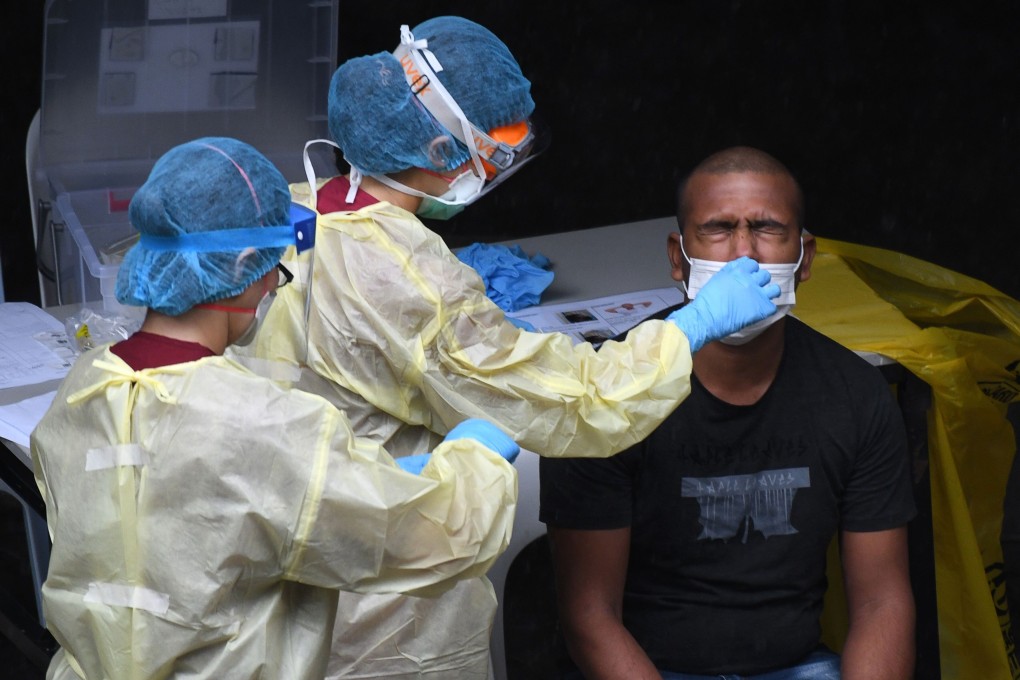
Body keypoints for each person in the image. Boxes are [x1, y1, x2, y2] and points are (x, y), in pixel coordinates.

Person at [234, 16, 786, 678]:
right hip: (376, 608)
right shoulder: (408, 280)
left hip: (287, 565)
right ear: (439, 148)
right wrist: (692, 325)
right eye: (496, 148)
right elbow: (576, 404)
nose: (497, 165)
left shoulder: (296, 215)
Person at [30, 137, 523, 680]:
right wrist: (476, 462)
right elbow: (426, 537)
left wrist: (349, 475)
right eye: (274, 269)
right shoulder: (261, 421)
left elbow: (166, 517)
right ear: (244, 266)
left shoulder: (82, 387)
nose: (272, 285)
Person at [539, 146, 918, 679]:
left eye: (767, 229)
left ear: (804, 258)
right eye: (718, 229)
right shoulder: (605, 399)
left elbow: (883, 602)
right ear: (678, 256)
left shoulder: (855, 396)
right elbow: (589, 616)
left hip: (796, 666)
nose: (744, 255)